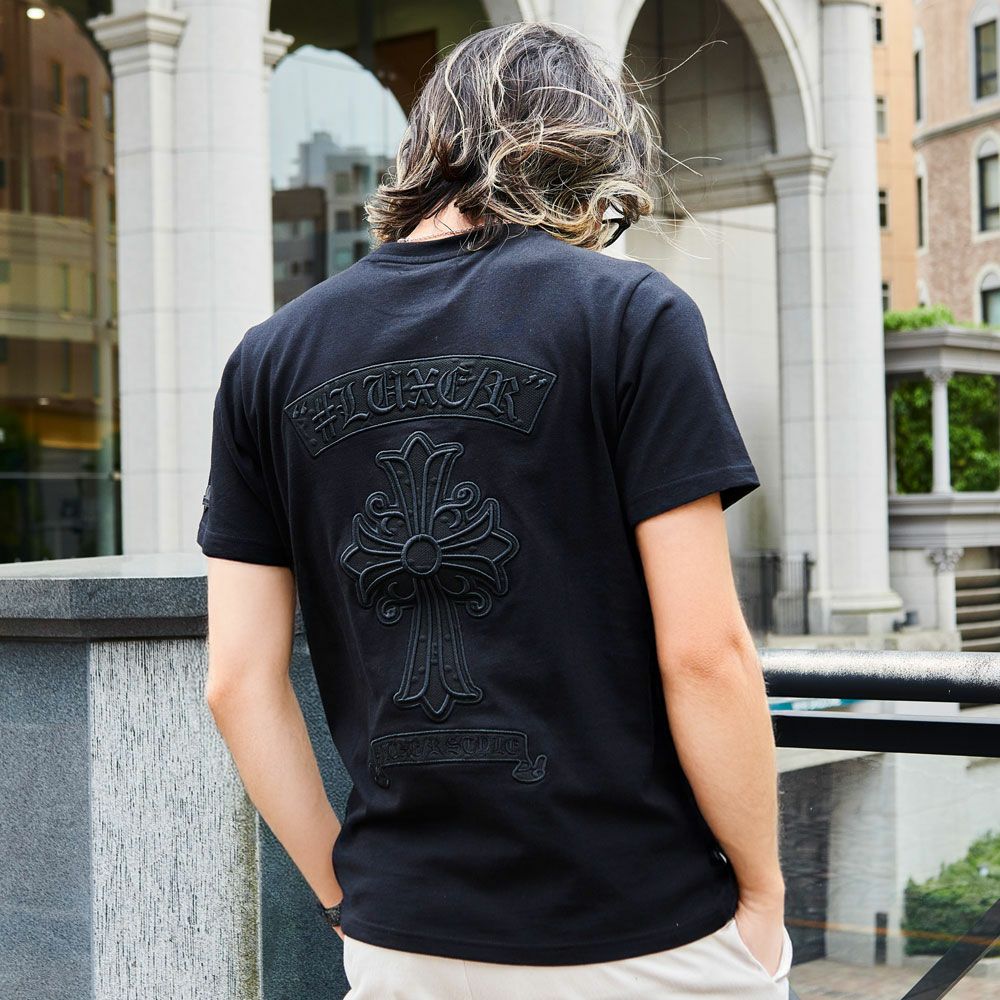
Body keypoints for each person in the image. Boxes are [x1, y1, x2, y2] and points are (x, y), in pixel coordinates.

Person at [197, 19, 792, 1000]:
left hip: (404, 941)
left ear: (429, 142)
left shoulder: (268, 359)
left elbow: (237, 682)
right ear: (585, 158)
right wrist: (763, 894)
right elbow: (703, 653)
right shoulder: (632, 317)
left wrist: (347, 895)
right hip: (638, 929)